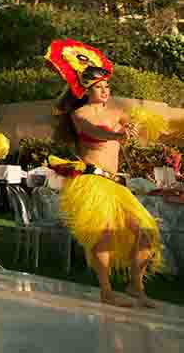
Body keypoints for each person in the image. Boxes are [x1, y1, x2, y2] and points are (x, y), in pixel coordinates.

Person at [46, 38, 162, 308]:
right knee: (105, 233)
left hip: (115, 183)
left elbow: (133, 126)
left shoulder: (117, 112)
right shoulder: (81, 115)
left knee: (146, 231)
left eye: (107, 86)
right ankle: (106, 289)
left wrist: (139, 125)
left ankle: (135, 285)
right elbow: (96, 133)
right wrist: (119, 133)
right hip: (93, 181)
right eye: (99, 87)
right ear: (87, 90)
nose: (105, 90)